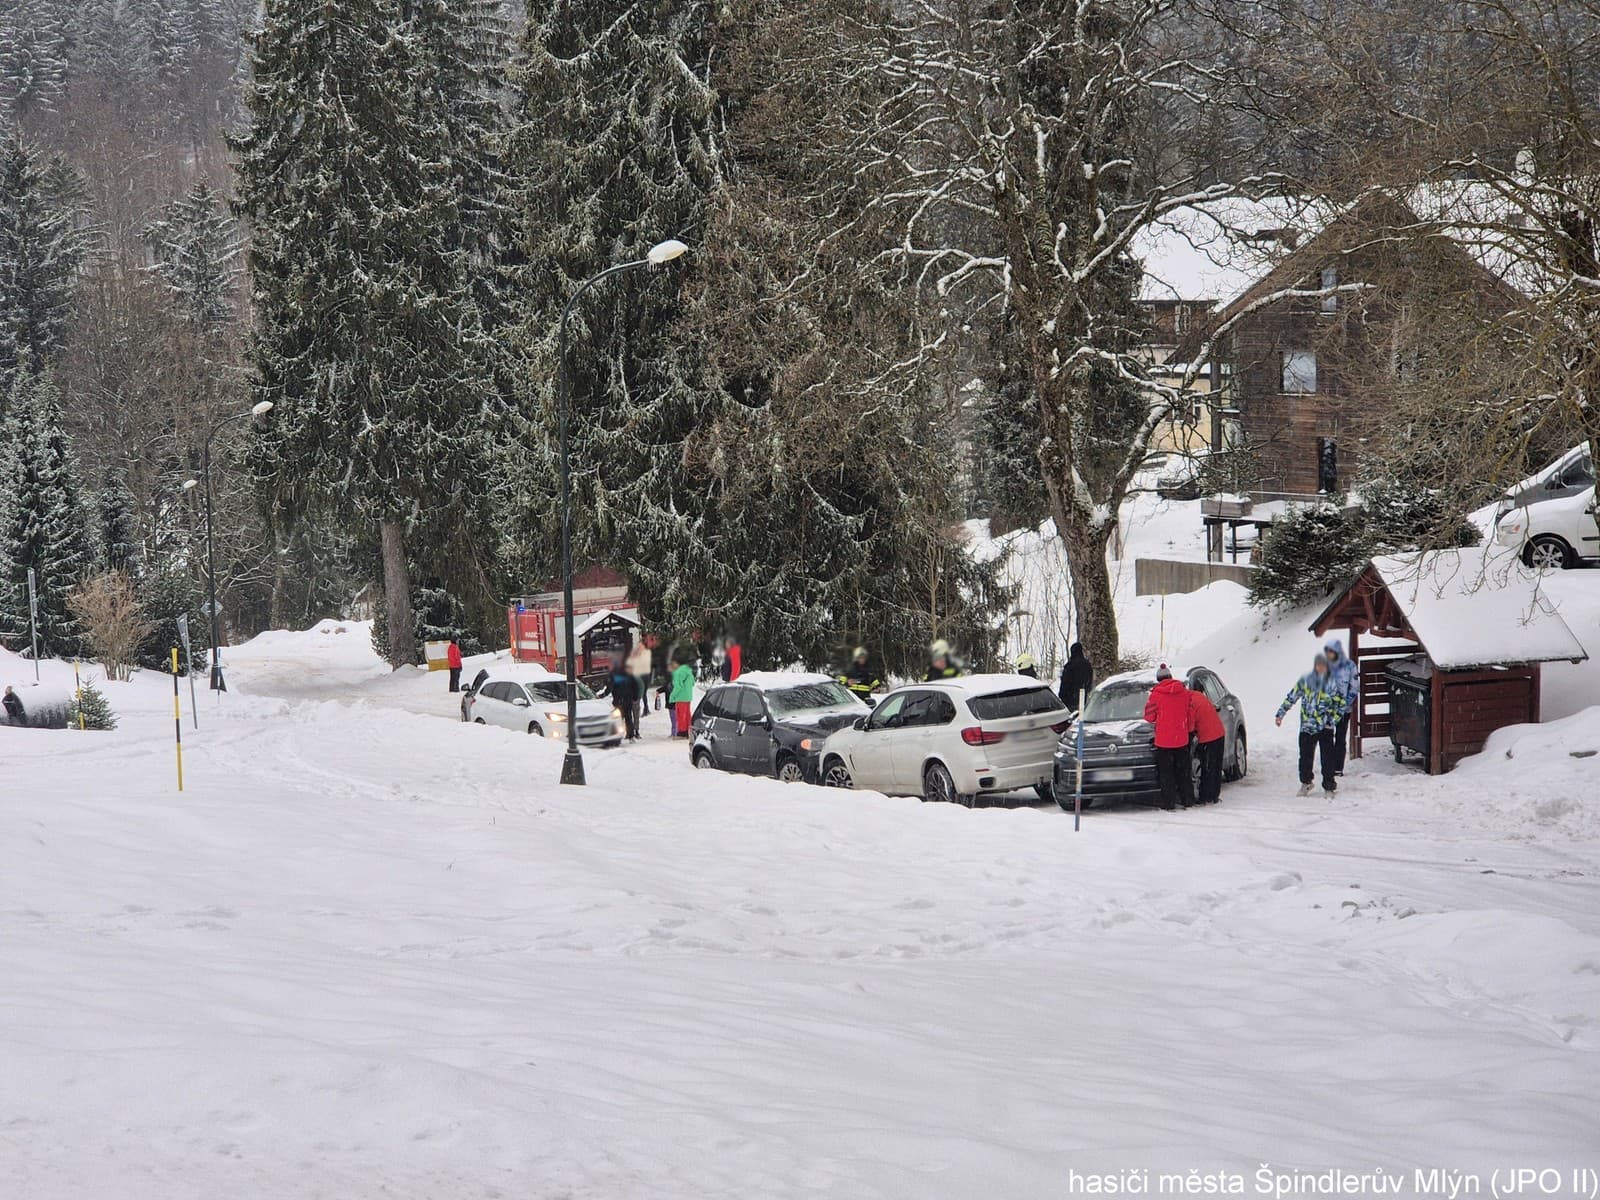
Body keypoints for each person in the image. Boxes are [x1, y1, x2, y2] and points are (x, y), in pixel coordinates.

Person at [1276, 655, 1347, 797]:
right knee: (1305, 758)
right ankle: (1306, 782)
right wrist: (1280, 713)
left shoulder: (1333, 683)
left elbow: (1341, 705)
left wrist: (1331, 721)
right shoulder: (1306, 681)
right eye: (1318, 666)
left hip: (1325, 727)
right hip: (1307, 727)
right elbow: (1292, 696)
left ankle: (1329, 786)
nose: (1320, 669)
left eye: (1323, 666)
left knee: (1327, 758)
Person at [1143, 664, 1196, 810]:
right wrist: (1189, 730)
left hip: (1163, 741)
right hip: (1182, 739)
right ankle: (1187, 799)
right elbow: (1190, 713)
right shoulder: (1184, 692)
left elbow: (1149, 717)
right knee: (1184, 771)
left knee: (1166, 774)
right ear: (1170, 677)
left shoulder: (1155, 695)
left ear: (1158, 679)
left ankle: (1169, 802)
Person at [1188, 681, 1227, 805]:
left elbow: (1190, 726)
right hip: (1219, 733)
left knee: (1208, 767)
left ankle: (1205, 796)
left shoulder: (1190, 703)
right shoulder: (1199, 696)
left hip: (1208, 737)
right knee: (1216, 766)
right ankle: (1214, 795)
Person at [1323, 639, 1358, 776]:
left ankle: (1338, 767)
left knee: (1340, 737)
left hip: (1344, 710)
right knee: (1327, 738)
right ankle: (1328, 766)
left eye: (1331, 651)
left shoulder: (1350, 666)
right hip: (1328, 710)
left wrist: (1345, 704)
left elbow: (1354, 687)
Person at [1059, 642, 1093, 712]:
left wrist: (1062, 697)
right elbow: (1089, 682)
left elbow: (1065, 684)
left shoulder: (1070, 666)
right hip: (1084, 699)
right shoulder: (1087, 665)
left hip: (1070, 701)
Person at [627, 636, 654, 723]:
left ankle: (646, 709)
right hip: (644, 675)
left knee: (643, 693)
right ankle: (646, 708)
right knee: (643, 693)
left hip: (644, 675)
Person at [609, 663, 639, 741]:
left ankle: (622, 734)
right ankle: (630, 735)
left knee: (619, 718)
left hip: (621, 700)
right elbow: (635, 687)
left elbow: (613, 688)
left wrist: (615, 699)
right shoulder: (630, 676)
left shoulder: (618, 677)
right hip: (626, 700)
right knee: (628, 717)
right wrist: (635, 697)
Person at [669, 653, 696, 739]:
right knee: (687, 715)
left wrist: (672, 696)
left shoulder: (678, 672)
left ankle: (682, 733)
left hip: (680, 697)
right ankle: (689, 731)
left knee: (680, 715)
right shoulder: (689, 670)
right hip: (688, 696)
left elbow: (677, 686)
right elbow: (692, 683)